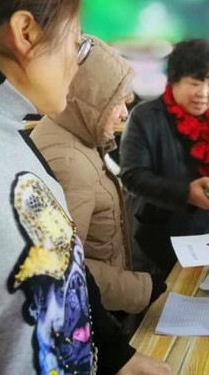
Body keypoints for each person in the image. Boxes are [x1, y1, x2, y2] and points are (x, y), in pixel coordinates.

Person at [0, 0, 169, 375]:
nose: (77, 66)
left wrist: (118, 355)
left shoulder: (11, 129)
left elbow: (64, 258)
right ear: (26, 32)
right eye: (76, 44)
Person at [30, 35, 166, 318]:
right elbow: (63, 264)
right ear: (91, 100)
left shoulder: (75, 134)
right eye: (118, 103)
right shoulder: (69, 161)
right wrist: (139, 288)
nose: (125, 114)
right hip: (89, 315)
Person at [120, 38, 209, 278]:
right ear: (174, 80)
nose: (203, 93)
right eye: (195, 83)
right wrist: (187, 193)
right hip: (155, 239)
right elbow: (133, 177)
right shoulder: (145, 117)